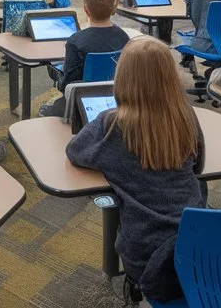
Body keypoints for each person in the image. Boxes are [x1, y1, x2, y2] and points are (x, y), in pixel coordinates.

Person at [66, 37, 206, 304]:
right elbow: (198, 164)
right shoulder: (186, 115)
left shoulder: (111, 125)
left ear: (122, 78)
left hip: (147, 255)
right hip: (198, 242)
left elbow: (75, 151)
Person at [41, 0, 129, 117]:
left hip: (80, 100)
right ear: (113, 9)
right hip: (116, 96)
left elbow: (68, 84)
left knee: (53, 70)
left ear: (86, 10)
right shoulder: (124, 37)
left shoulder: (75, 41)